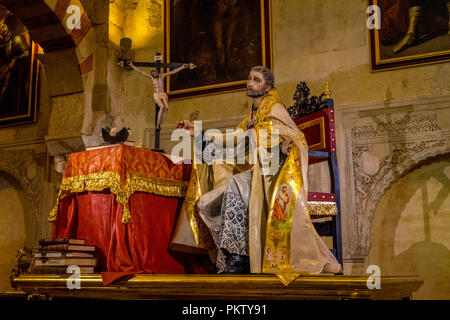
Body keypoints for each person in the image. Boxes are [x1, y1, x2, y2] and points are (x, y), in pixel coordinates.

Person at [173, 66, 341, 285]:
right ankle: (237, 254)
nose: (249, 82)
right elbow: (235, 139)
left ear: (268, 87)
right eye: (249, 78)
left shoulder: (275, 109)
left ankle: (239, 258)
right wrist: (201, 135)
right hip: (256, 175)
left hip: (272, 178)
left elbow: (297, 138)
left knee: (234, 184)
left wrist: (284, 146)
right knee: (206, 203)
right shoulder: (253, 114)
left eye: (256, 80)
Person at [128, 62, 195, 129]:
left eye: (155, 74)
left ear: (157, 73)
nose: (154, 75)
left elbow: (173, 72)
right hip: (156, 94)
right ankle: (157, 124)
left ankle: (160, 124)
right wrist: (132, 66)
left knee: (166, 108)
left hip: (163, 94)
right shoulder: (152, 78)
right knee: (162, 107)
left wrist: (182, 67)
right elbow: (141, 72)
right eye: (153, 74)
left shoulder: (162, 75)